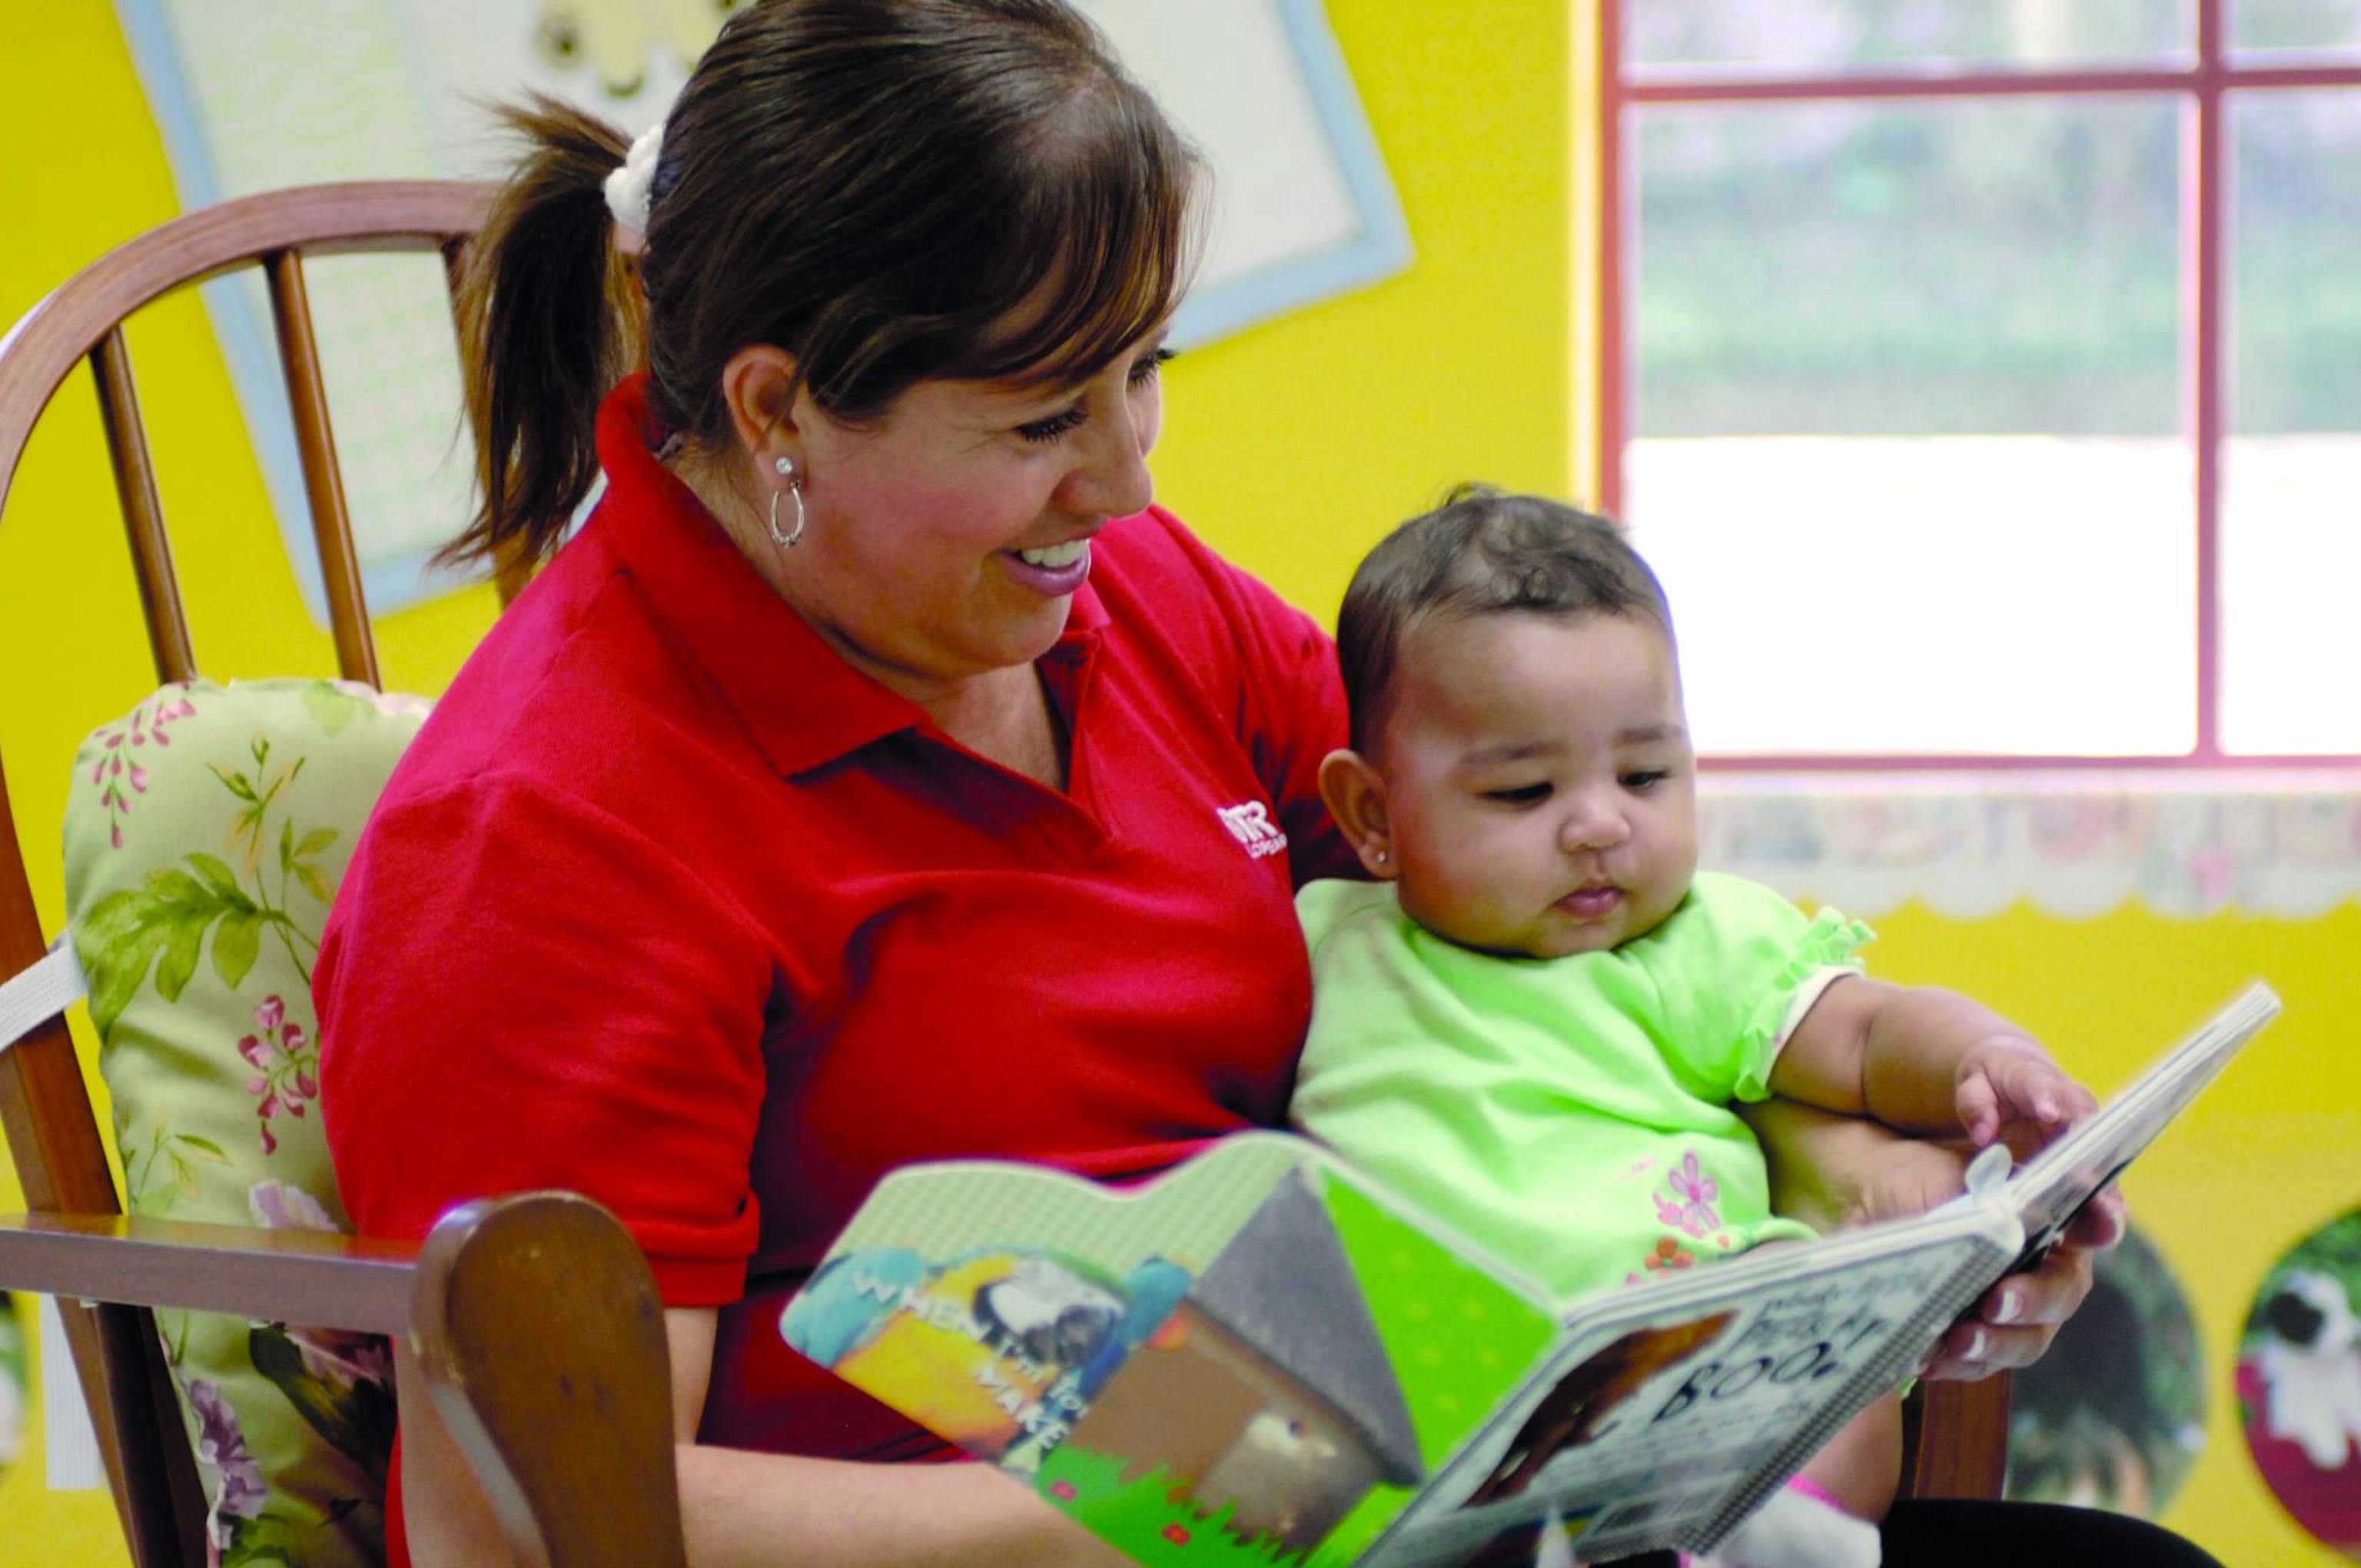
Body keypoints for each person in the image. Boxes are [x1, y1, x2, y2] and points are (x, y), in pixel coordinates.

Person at [312, 4, 2157, 1564]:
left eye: (1143, 377)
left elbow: (1515, 917)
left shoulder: (1123, 599)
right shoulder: (547, 835)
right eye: (1041, 419)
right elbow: (523, 1517)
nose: (1120, 488)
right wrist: (1178, 1496)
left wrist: (1874, 1201)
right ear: (781, 406)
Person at [1289, 487, 2214, 1567]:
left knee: (1836, 1378)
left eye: (1645, 774)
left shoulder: (1690, 941)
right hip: (1440, 1408)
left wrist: (1982, 1059)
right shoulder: (1320, 945)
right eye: (1524, 791)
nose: (1599, 824)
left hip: (1693, 1364)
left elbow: (1867, 1036)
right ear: (1370, 815)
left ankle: (1772, 1544)